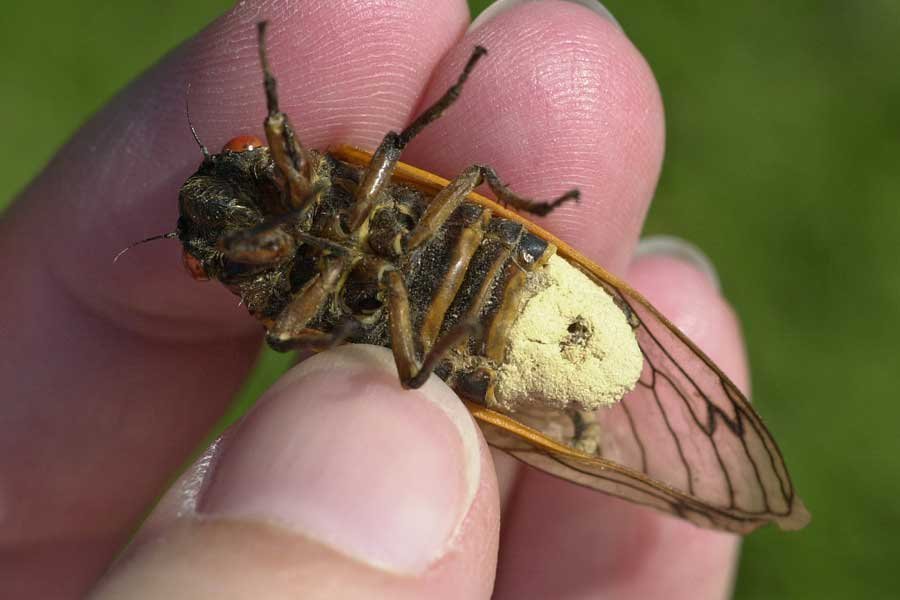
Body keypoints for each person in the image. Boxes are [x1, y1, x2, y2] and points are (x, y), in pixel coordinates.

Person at [1, 0, 747, 597]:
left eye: (249, 157)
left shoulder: (313, 181)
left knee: (444, 174)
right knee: (417, 366)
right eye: (207, 263)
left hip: (487, 275)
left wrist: (275, 96)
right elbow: (295, 329)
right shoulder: (278, 291)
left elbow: (387, 154)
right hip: (446, 329)